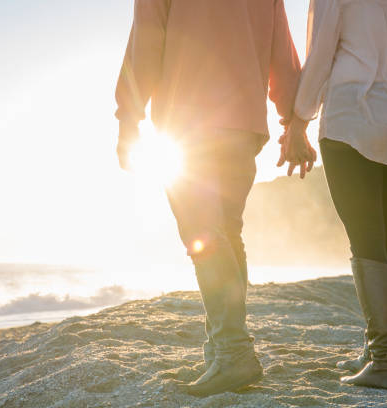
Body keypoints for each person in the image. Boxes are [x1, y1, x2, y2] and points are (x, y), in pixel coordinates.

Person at [115, 0, 315, 397]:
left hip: (189, 119)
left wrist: (128, 119)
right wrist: (293, 122)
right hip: (243, 122)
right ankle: (222, 352)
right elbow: (284, 56)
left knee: (203, 233)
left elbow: (146, 41)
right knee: (224, 231)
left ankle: (233, 351)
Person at [279, 0, 387, 390]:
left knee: (366, 239)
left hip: (354, 115)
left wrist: (300, 119)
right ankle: (378, 352)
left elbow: (321, 51)